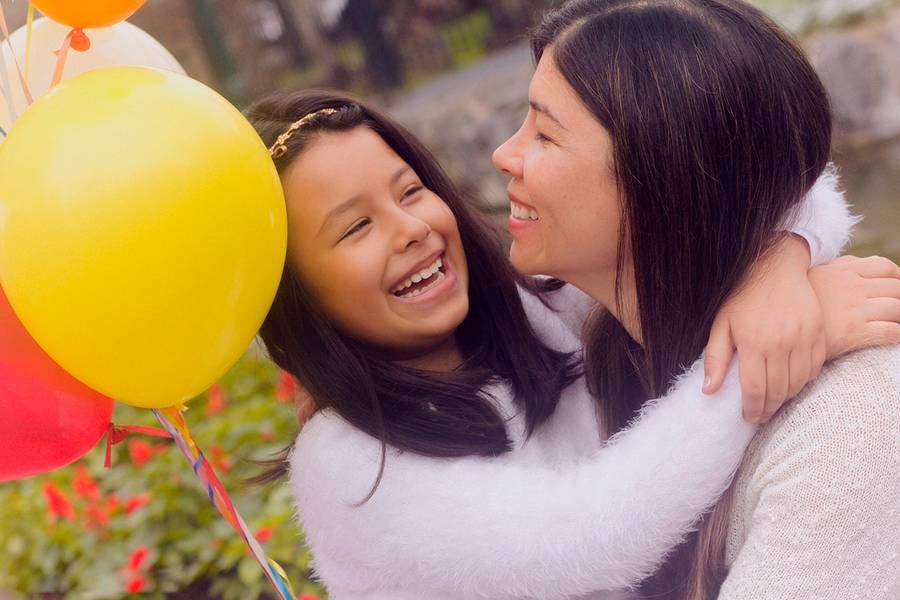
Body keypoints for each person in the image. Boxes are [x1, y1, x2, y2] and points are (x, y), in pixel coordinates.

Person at [244, 85, 898, 597]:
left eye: (410, 190)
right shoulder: (349, 464)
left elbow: (758, 190)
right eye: (355, 227)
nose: (410, 227)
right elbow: (599, 532)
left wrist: (776, 271)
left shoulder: (524, 309)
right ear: (295, 294)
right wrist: (756, 357)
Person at [490, 0, 900, 597]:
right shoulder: (603, 337)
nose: (504, 155)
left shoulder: (848, 431)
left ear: (660, 171)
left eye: (544, 133)